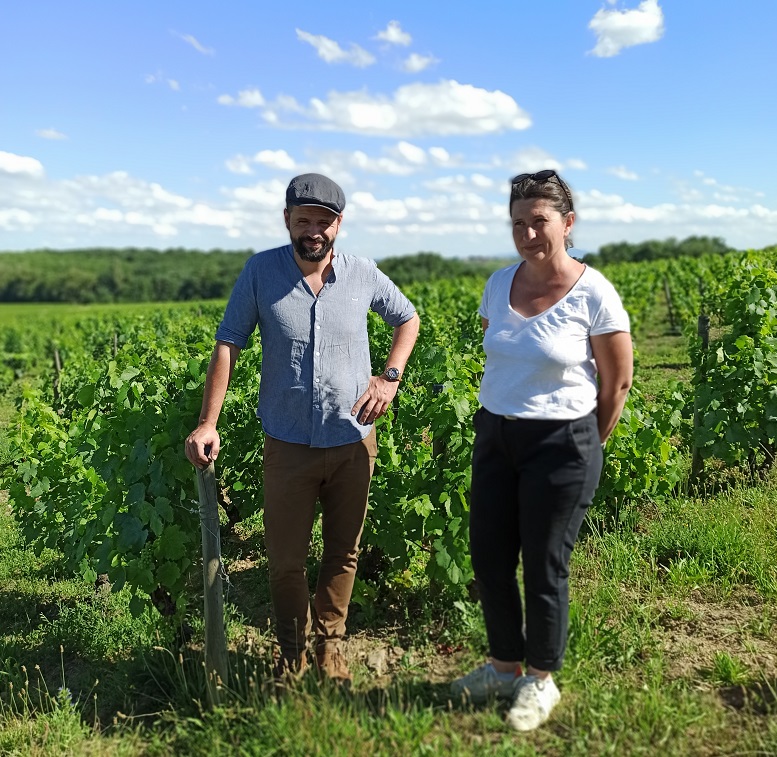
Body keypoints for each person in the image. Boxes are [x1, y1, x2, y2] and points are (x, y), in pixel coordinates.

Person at [185, 173, 420, 685]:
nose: (315, 230)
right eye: (305, 219)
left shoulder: (362, 274)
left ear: (339, 225)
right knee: (286, 559)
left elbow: (408, 318)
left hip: (354, 441)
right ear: (287, 219)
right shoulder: (260, 273)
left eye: (325, 221)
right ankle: (291, 651)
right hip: (289, 444)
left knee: (343, 550)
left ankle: (329, 646)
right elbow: (229, 342)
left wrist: (390, 377)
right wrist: (208, 422)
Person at [450, 170, 633, 731]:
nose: (528, 233)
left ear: (567, 223)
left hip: (562, 441)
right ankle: (504, 667)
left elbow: (617, 382)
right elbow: (503, 354)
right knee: (489, 557)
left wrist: (582, 444)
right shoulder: (497, 283)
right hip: (496, 436)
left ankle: (540, 680)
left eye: (540, 221)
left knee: (545, 567)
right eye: (518, 224)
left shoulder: (593, 292)